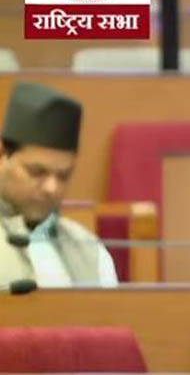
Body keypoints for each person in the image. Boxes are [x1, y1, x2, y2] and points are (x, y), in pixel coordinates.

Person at [0, 82, 117, 288]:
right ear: (3, 155)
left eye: (63, 176)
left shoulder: (89, 250)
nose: (51, 188)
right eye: (37, 172)